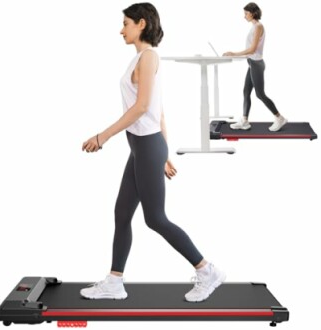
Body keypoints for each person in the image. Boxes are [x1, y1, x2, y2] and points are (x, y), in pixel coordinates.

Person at [81, 2, 225, 302]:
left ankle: (207, 270)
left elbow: (143, 107)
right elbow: (158, 112)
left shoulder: (148, 57)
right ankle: (114, 282)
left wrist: (102, 136)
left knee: (155, 218)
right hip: (144, 148)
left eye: (126, 24)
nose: (121, 30)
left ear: (142, 24)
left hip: (146, 146)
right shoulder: (138, 60)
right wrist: (165, 154)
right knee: (122, 213)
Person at [223, 2, 287, 131]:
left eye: (246, 13)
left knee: (260, 94)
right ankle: (245, 121)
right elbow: (251, 52)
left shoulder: (258, 26)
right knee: (246, 91)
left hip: (257, 64)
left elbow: (252, 49)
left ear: (253, 13)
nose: (244, 16)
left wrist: (234, 54)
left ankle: (280, 118)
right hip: (252, 63)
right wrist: (235, 56)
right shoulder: (254, 27)